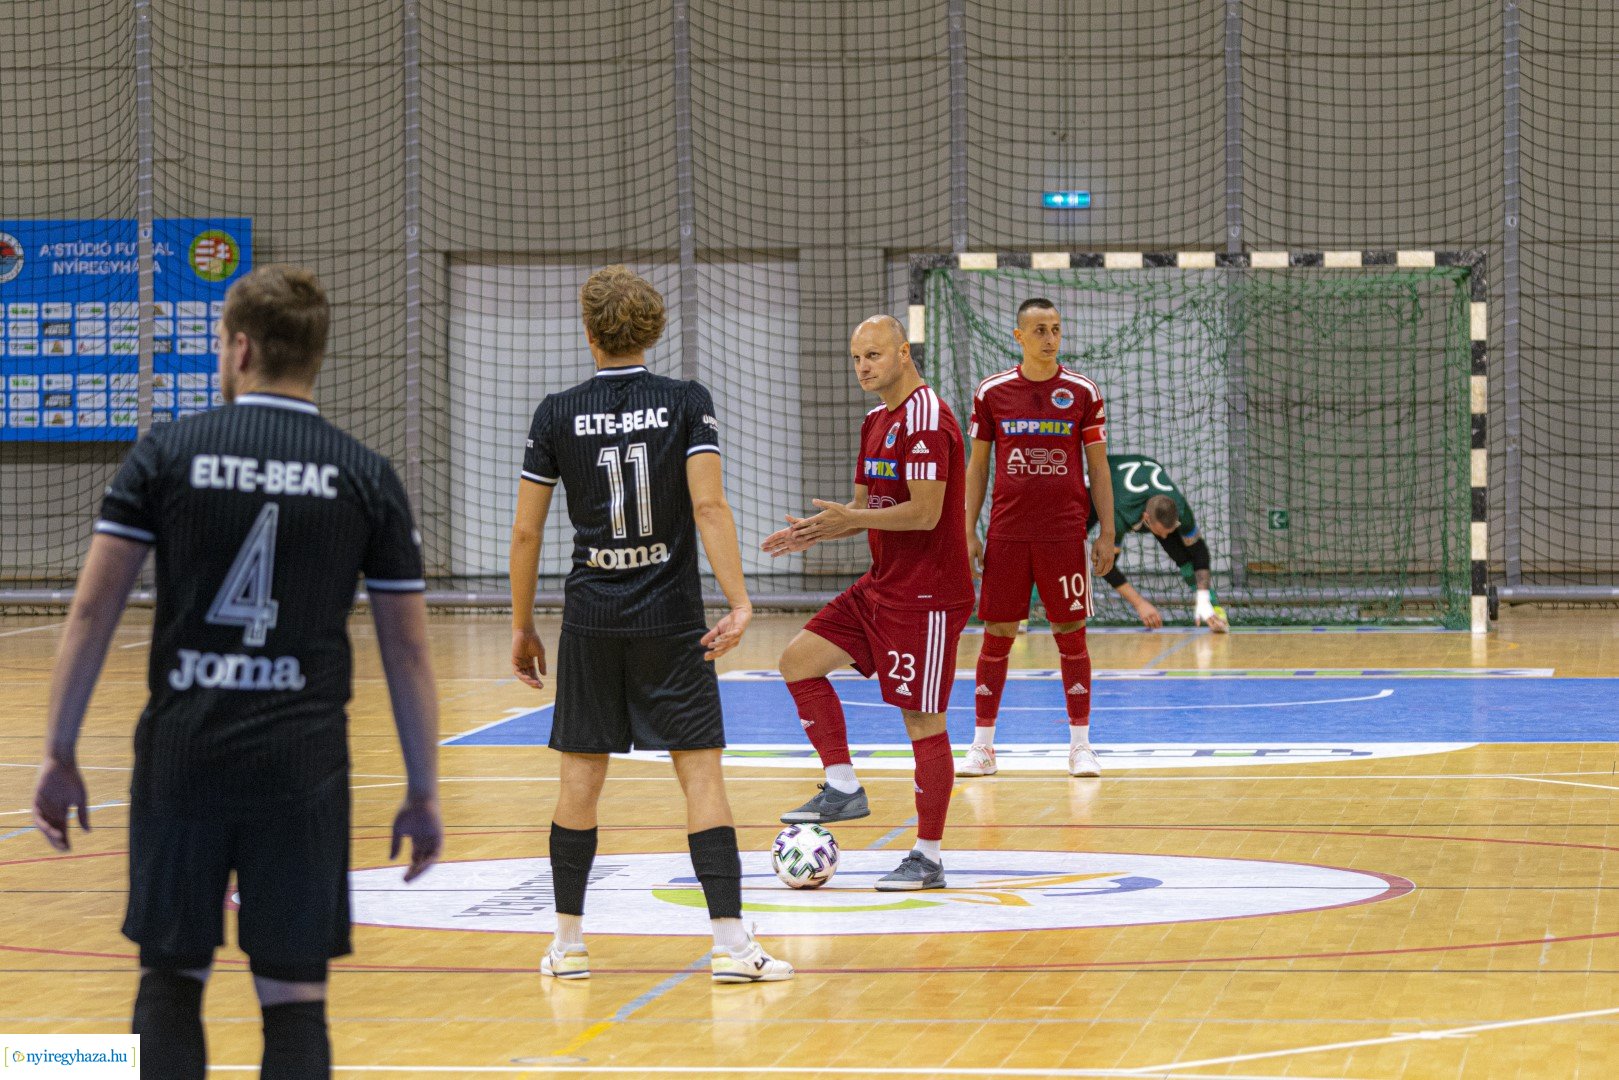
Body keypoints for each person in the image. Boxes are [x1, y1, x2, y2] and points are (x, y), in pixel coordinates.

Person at [32, 265, 443, 1080]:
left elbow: (91, 612)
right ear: (316, 355)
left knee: (171, 978)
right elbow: (407, 650)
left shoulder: (167, 454)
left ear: (240, 347)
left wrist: (59, 751)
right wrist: (422, 791)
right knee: (294, 997)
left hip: (184, 758)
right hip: (302, 769)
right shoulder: (364, 475)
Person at [509, 265, 791, 983]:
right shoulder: (685, 402)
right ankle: (731, 944)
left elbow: (524, 535)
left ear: (588, 329)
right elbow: (709, 508)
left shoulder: (555, 412)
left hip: (591, 618)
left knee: (579, 782)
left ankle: (567, 945)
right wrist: (740, 601)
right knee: (699, 775)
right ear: (654, 328)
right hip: (671, 621)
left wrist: (522, 625)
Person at [761, 314, 974, 891]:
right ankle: (843, 786)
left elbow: (925, 513)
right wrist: (817, 530)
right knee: (797, 661)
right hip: (883, 584)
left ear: (904, 352)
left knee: (922, 720)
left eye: (874, 355)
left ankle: (927, 857)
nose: (864, 367)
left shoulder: (929, 418)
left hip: (929, 592)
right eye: (856, 358)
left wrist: (852, 517)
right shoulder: (875, 420)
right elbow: (864, 507)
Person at [959, 297, 1115, 780]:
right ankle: (983, 746)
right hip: (1007, 533)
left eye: (1056, 329)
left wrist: (1107, 532)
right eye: (1040, 330)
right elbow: (978, 466)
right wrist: (968, 531)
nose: (1050, 338)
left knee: (1071, 634)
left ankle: (1081, 745)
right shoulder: (993, 392)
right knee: (998, 634)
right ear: (1019, 337)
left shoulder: (1082, 391)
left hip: (1065, 535)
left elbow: (1098, 466)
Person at [1090, 452, 1228, 633]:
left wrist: (1203, 600)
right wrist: (1140, 604)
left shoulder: (1180, 509)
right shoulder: (1119, 515)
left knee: (1181, 552)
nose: (1164, 537)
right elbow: (1107, 568)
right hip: (1105, 475)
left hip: (1145, 470)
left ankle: (1212, 609)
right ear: (1146, 519)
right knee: (1072, 542)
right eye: (1160, 532)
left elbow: (1199, 551)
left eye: (1169, 531)